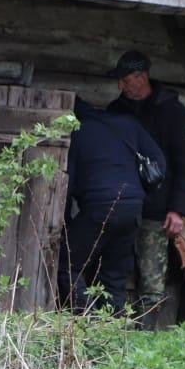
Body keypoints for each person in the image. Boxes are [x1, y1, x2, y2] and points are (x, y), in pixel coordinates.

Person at [106, 50, 185, 327]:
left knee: (151, 276)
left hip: (155, 209)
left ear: (142, 76)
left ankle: (146, 336)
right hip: (119, 205)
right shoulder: (116, 111)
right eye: (120, 81)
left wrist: (177, 210)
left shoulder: (173, 112)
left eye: (127, 80)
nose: (122, 86)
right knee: (113, 271)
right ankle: (111, 328)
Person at [58, 97, 165, 315]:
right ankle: (112, 328)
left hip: (99, 206)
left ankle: (86, 319)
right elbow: (159, 163)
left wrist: (64, 219)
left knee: (68, 264)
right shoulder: (128, 124)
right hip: (133, 206)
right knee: (114, 275)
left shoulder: (78, 132)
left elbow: (67, 182)